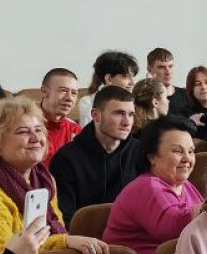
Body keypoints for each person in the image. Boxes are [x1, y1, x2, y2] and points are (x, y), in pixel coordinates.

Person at [0, 97, 110, 254]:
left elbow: (47, 237)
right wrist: (65, 242)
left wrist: (66, 242)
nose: (36, 138)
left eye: (39, 129)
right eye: (22, 132)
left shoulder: (43, 180)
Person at [104, 116, 203, 254]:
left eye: (191, 151)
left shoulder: (185, 185)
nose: (187, 158)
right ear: (152, 157)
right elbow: (174, 228)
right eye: (178, 151)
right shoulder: (147, 186)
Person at [48, 85, 140, 216]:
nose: (127, 122)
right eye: (119, 113)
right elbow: (64, 217)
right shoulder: (66, 159)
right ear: (96, 115)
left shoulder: (140, 152)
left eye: (131, 115)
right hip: (82, 229)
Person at [75, 50, 140, 126]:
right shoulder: (88, 103)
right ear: (109, 79)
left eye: (132, 77)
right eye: (126, 77)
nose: (132, 83)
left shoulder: (136, 101)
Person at [38, 68, 81, 158]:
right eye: (63, 90)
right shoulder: (24, 126)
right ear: (44, 92)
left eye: (74, 93)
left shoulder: (75, 130)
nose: (69, 98)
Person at [147, 47, 192, 115]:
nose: (168, 72)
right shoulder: (144, 99)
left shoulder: (187, 95)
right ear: (149, 69)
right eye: (161, 67)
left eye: (170, 66)